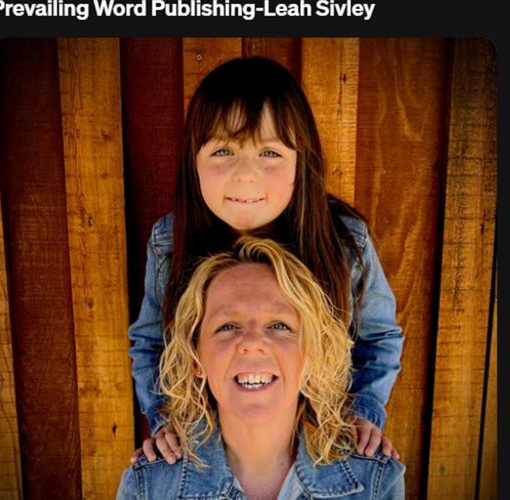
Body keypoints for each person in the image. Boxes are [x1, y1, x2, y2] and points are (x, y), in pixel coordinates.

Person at [128, 56, 403, 465]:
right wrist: (165, 418)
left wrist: (362, 411)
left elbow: (378, 338)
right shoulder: (170, 243)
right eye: (223, 150)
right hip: (206, 445)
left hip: (321, 439)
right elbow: (152, 343)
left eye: (270, 153)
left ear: (300, 161)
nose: (245, 175)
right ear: (193, 161)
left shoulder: (343, 242)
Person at [115, 237, 405, 500]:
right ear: (195, 358)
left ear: (313, 354)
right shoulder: (147, 490)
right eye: (227, 326)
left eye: (280, 325)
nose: (252, 342)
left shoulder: (374, 484)